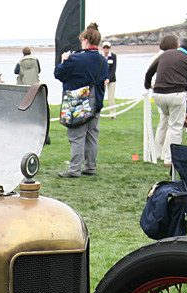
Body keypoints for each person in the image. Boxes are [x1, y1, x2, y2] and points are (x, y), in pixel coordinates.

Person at [54, 23, 107, 178]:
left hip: (78, 102)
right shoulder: (103, 61)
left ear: (85, 39)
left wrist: (64, 60)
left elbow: (59, 74)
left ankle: (74, 169)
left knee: (76, 136)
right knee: (92, 136)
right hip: (95, 102)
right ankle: (90, 166)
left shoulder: (76, 59)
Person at [145, 35, 187, 166]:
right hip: (177, 95)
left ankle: (159, 153)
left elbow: (149, 72)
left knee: (166, 123)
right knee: (176, 128)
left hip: (158, 95)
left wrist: (147, 85)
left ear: (180, 46)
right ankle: (170, 159)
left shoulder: (164, 55)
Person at [101, 42, 116, 111]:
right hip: (102, 79)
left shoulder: (113, 56)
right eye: (104, 47)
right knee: (100, 96)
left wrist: (109, 79)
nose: (106, 49)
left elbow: (113, 69)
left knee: (111, 97)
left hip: (111, 79)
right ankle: (98, 112)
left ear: (110, 48)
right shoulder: (100, 56)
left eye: (107, 47)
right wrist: (103, 79)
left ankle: (112, 113)